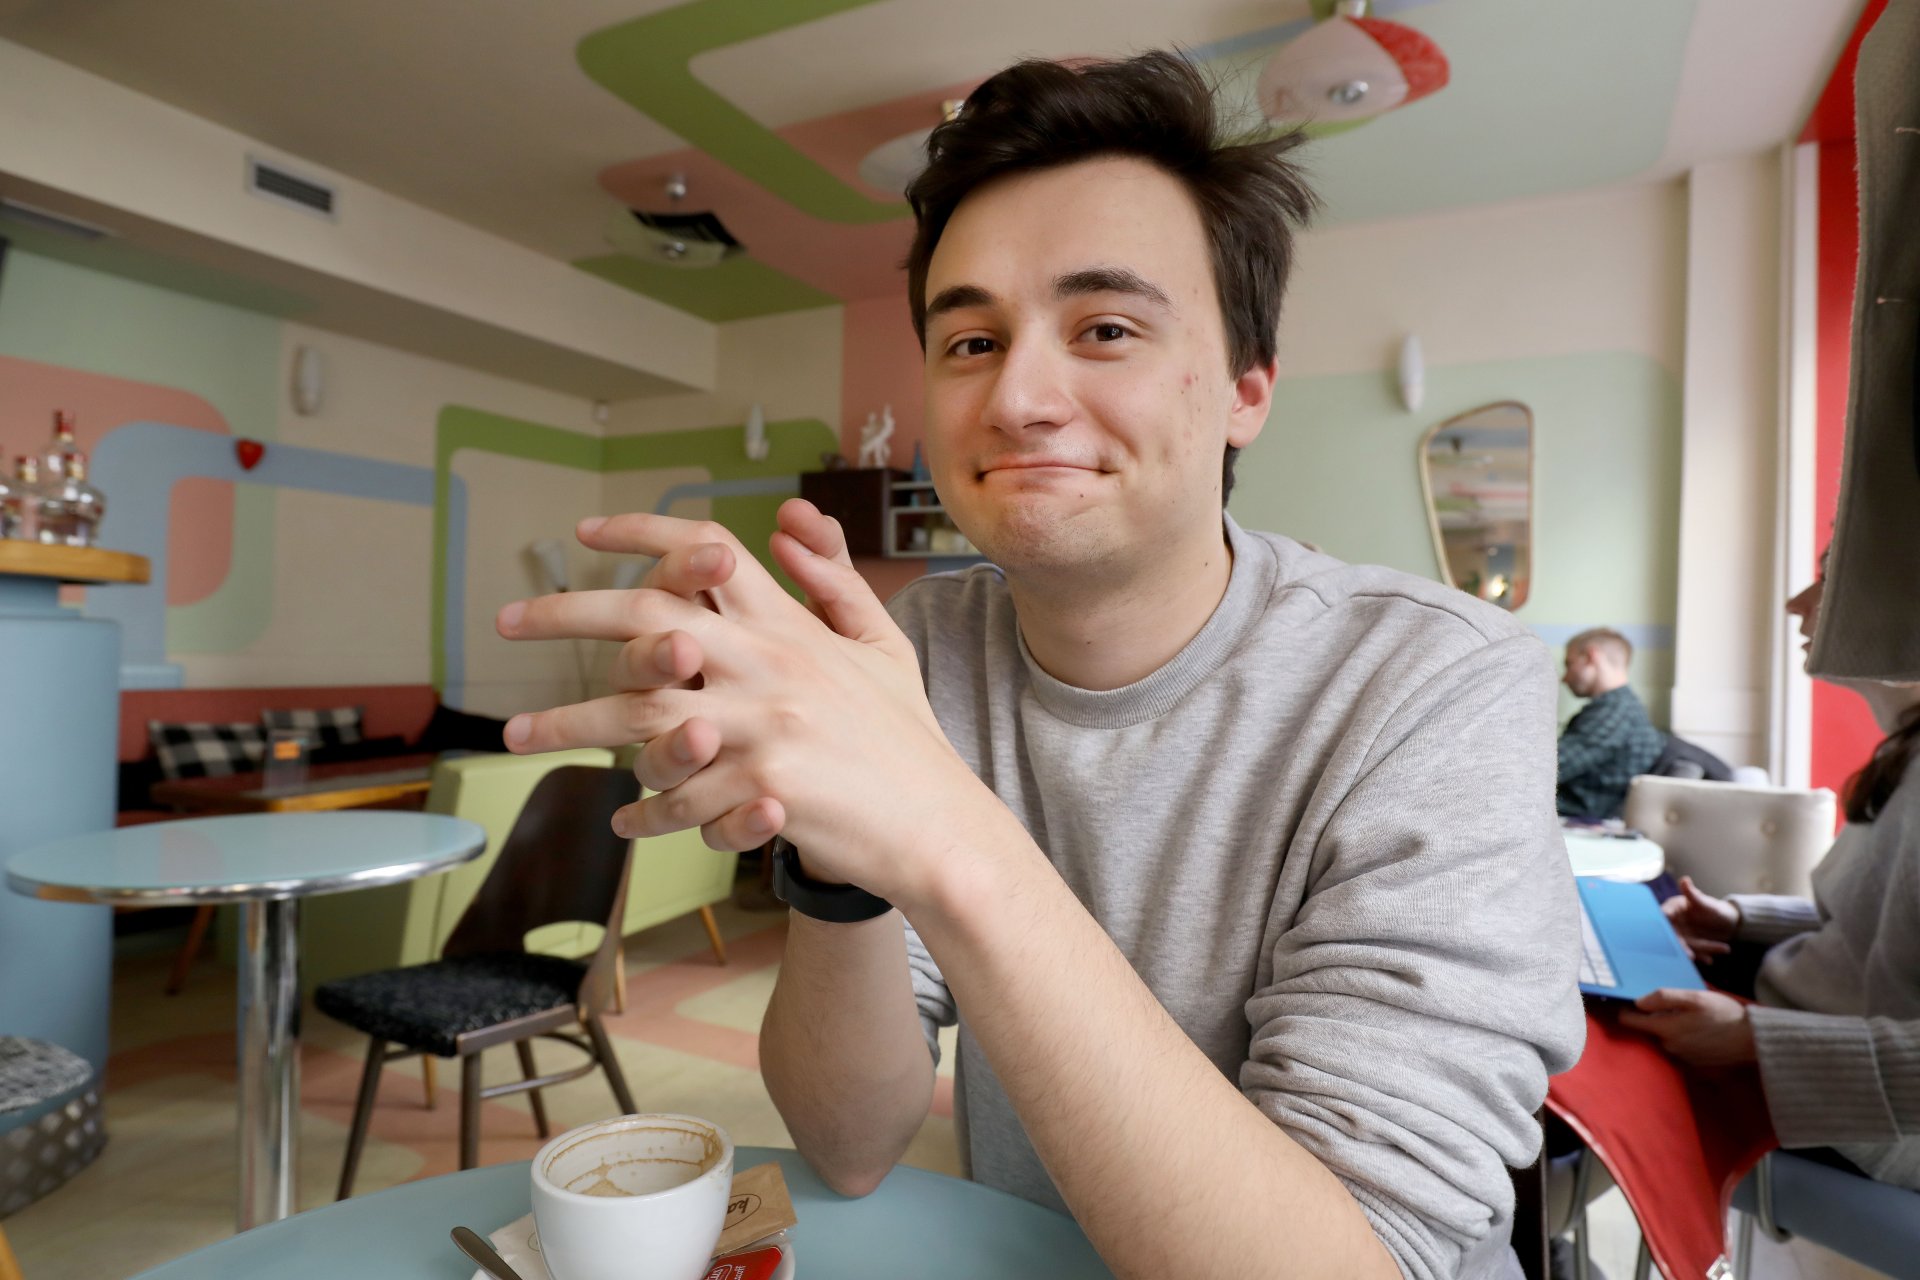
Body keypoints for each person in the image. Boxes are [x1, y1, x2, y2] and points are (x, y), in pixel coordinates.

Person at [496, 52, 1583, 1280]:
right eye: (970, 340)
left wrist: (938, 829)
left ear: (1245, 391)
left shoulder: (1438, 683)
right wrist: (840, 863)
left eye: (1105, 328)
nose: (1016, 396)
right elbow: (848, 1141)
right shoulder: (916, 653)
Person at [1621, 571, 1920, 1190]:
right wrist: (1739, 919)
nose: (1795, 602)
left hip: (1863, 1109)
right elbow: (1875, 924)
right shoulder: (1906, 754)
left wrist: (1752, 1040)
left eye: (1833, 574)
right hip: (1799, 1014)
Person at [1555, 628, 1665, 819]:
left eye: (1569, 664)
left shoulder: (1612, 713)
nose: (1564, 678)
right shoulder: (1622, 706)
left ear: (1590, 656)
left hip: (1580, 816)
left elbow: (1549, 768)